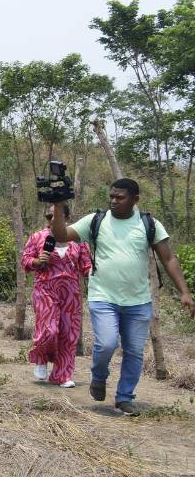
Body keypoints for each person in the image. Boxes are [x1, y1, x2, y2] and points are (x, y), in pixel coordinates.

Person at [48, 178, 195, 415]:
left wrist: (185, 292)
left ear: (135, 200)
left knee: (134, 352)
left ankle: (125, 397)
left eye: (120, 197)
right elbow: (61, 235)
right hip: (103, 297)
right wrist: (58, 205)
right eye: (112, 196)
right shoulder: (96, 220)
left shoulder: (149, 224)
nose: (114, 201)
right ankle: (99, 376)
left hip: (138, 301)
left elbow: (168, 258)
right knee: (106, 344)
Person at [21, 204, 92, 388]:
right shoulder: (38, 237)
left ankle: (62, 375)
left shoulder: (78, 240)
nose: (51, 219)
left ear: (65, 217)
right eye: (48, 216)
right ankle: (41, 358)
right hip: (45, 289)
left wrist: (98, 272)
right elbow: (25, 259)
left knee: (68, 334)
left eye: (55, 216)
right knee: (49, 330)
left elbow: (86, 266)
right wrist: (37, 261)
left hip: (71, 294)